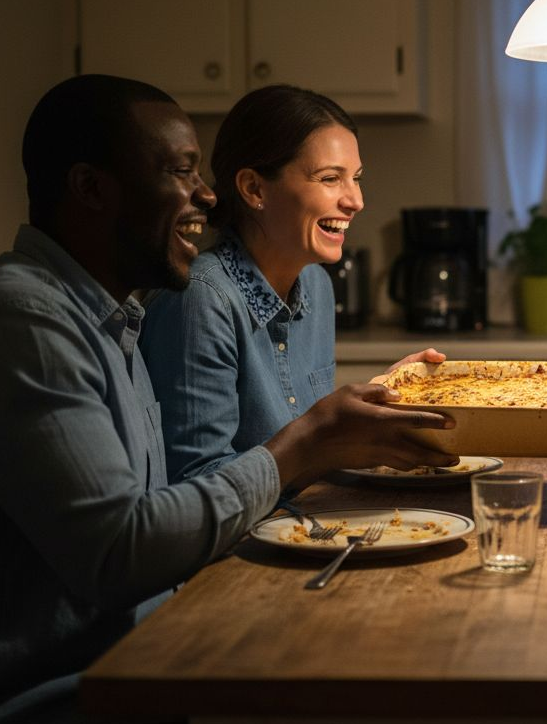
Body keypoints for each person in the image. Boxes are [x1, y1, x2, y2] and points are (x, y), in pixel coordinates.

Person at [0, 75, 456, 724]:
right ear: (91, 189)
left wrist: (346, 429)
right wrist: (306, 442)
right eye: (180, 172)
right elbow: (121, 554)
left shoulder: (109, 316)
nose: (206, 196)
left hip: (150, 661)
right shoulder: (19, 322)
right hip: (58, 701)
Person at [141, 84, 442, 481]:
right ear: (253, 188)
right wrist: (325, 436)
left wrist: (385, 394)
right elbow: (198, 482)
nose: (355, 200)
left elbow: (310, 448)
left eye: (356, 178)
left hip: (305, 526)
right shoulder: (200, 299)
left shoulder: (316, 284)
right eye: (331, 178)